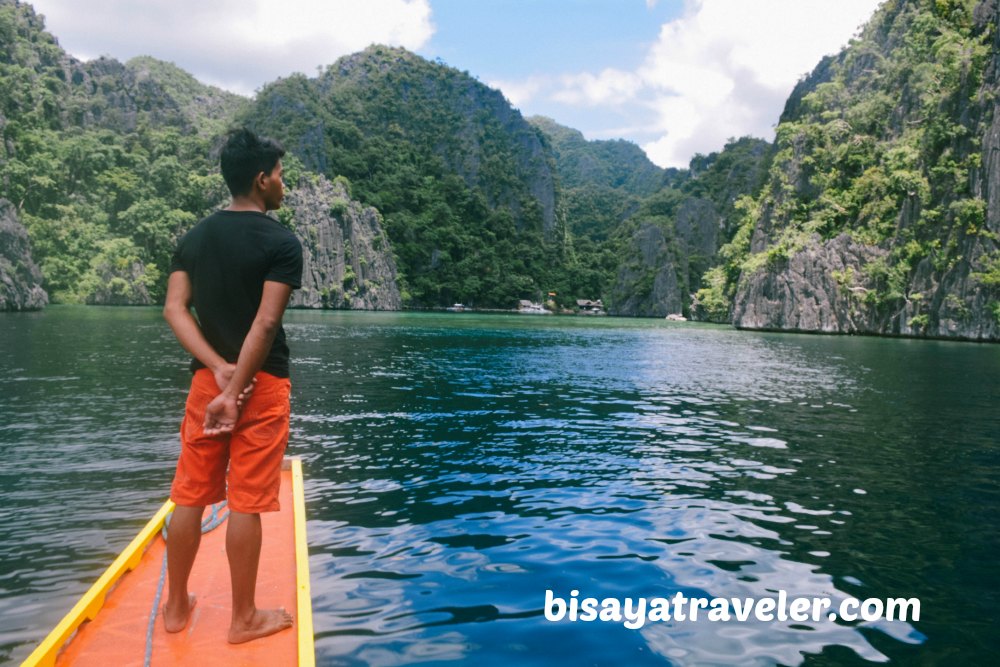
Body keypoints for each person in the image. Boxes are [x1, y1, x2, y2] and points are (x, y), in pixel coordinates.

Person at [161, 128, 303, 644]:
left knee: (191, 493)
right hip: (260, 387)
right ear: (261, 180)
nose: (284, 185)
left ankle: (176, 608)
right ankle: (243, 619)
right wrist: (237, 385)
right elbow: (264, 327)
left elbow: (175, 309)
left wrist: (218, 372)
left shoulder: (194, 238)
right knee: (245, 500)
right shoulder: (281, 242)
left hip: (208, 381)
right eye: (281, 176)